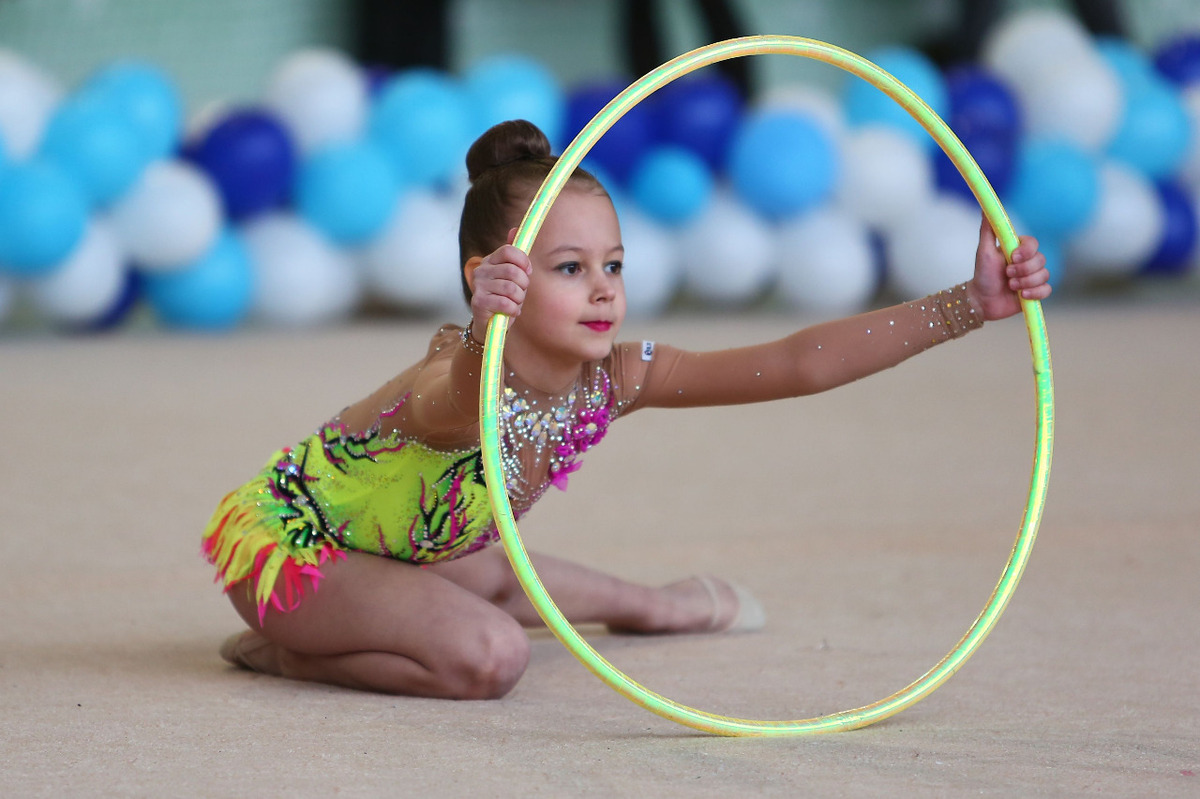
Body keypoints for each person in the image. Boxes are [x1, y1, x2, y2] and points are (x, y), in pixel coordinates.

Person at [205, 119, 1050, 700]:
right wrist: (480, 330)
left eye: (612, 262)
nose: (603, 286)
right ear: (491, 277)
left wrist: (965, 306)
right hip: (293, 552)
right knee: (489, 655)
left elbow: (793, 363)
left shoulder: (614, 376)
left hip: (410, 550)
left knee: (496, 570)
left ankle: (647, 602)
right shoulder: (452, 374)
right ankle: (291, 652)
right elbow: (454, 400)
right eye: (568, 267)